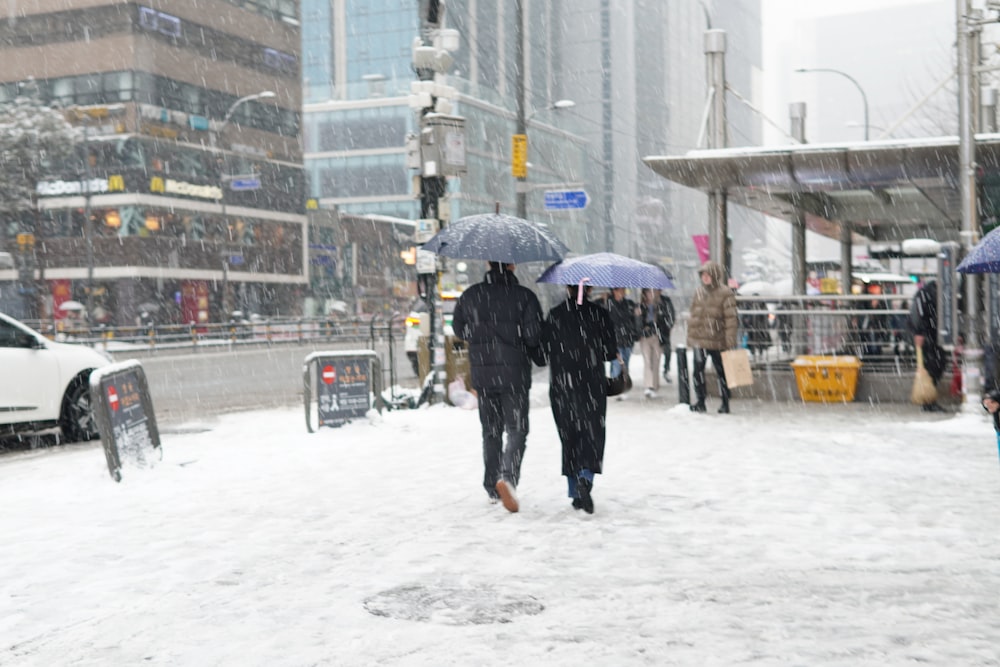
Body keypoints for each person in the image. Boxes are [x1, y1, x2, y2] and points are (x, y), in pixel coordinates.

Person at [451, 261, 544, 513]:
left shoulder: (471, 295)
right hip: (514, 374)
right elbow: (534, 335)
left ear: (488, 264)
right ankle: (508, 477)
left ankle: (492, 487)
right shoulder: (524, 297)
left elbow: (458, 328)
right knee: (517, 429)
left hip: (483, 375)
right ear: (513, 265)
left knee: (490, 431)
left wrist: (479, 334)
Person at [540, 283, 617, 514]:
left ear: (566, 287)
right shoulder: (600, 314)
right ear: (590, 289)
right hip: (591, 384)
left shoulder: (555, 314)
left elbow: (543, 352)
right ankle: (586, 476)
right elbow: (609, 352)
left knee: (569, 435)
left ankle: (574, 490)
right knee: (592, 434)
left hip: (562, 385)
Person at [687, 261, 739, 414]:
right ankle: (700, 401)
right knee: (697, 371)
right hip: (700, 340)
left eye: (707, 274)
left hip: (718, 340)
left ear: (714, 275)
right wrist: (691, 336)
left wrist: (730, 339)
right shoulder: (699, 292)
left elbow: (731, 318)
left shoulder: (726, 293)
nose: (705, 277)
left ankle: (725, 402)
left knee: (721, 372)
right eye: (702, 275)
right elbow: (694, 316)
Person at [909, 280, 948, 413]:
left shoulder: (931, 293)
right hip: (927, 335)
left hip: (932, 335)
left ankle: (929, 399)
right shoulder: (925, 294)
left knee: (937, 363)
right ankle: (928, 401)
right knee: (933, 365)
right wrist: (918, 332)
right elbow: (917, 313)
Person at [637, 288, 671, 398]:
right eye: (648, 292)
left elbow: (668, 320)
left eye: (652, 291)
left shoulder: (661, 304)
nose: (650, 294)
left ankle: (655, 385)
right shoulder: (640, 306)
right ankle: (648, 386)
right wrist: (639, 319)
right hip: (645, 337)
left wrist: (663, 331)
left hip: (657, 336)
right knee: (647, 361)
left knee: (656, 361)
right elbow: (637, 323)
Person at [605, 287, 639, 386]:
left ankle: (622, 383)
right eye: (621, 289)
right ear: (614, 291)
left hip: (628, 339)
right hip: (614, 340)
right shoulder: (608, 304)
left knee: (625, 364)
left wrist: (637, 316)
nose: (623, 291)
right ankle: (617, 385)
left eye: (624, 289)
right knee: (617, 364)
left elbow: (634, 321)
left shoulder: (630, 304)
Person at [658, 290, 677, 382]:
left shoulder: (666, 300)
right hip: (654, 331)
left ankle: (666, 369)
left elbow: (671, 314)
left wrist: (669, 324)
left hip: (664, 330)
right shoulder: (649, 300)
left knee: (667, 351)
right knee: (654, 354)